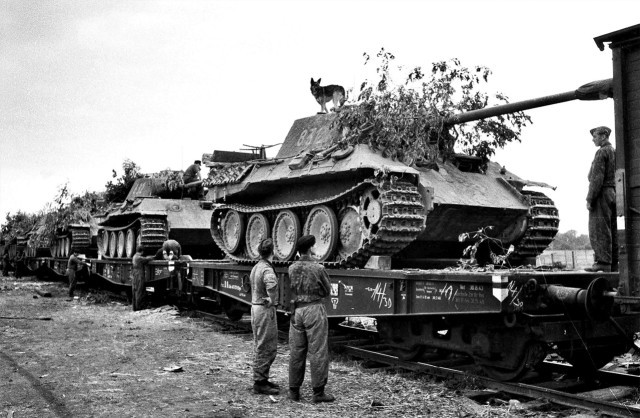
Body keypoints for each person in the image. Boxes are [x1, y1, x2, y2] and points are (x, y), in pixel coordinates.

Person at [287, 235, 335, 403]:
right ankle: (318, 392)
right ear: (311, 248)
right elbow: (327, 290)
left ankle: (294, 391)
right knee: (318, 351)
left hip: (297, 310)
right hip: (314, 309)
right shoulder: (318, 268)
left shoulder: (291, 268)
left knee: (296, 351)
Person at [250, 238, 280, 395]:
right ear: (272, 252)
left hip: (256, 308)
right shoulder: (267, 269)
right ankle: (260, 382)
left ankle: (262, 378)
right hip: (264, 310)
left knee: (260, 344)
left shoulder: (256, 267)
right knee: (267, 346)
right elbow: (272, 284)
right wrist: (272, 299)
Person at [586, 125, 618, 272]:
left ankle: (602, 263)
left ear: (603, 136)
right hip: (613, 192)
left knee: (598, 228)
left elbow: (596, 179)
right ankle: (612, 263)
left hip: (602, 193)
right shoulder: (614, 151)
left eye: (595, 136)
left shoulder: (601, 152)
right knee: (611, 228)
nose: (593, 139)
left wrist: (590, 198)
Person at [131, 245, 155, 311]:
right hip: (139, 274)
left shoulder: (134, 256)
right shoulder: (138, 258)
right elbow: (147, 259)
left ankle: (135, 307)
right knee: (139, 290)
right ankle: (139, 307)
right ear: (142, 252)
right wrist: (154, 256)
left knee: (135, 290)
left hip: (134, 274)